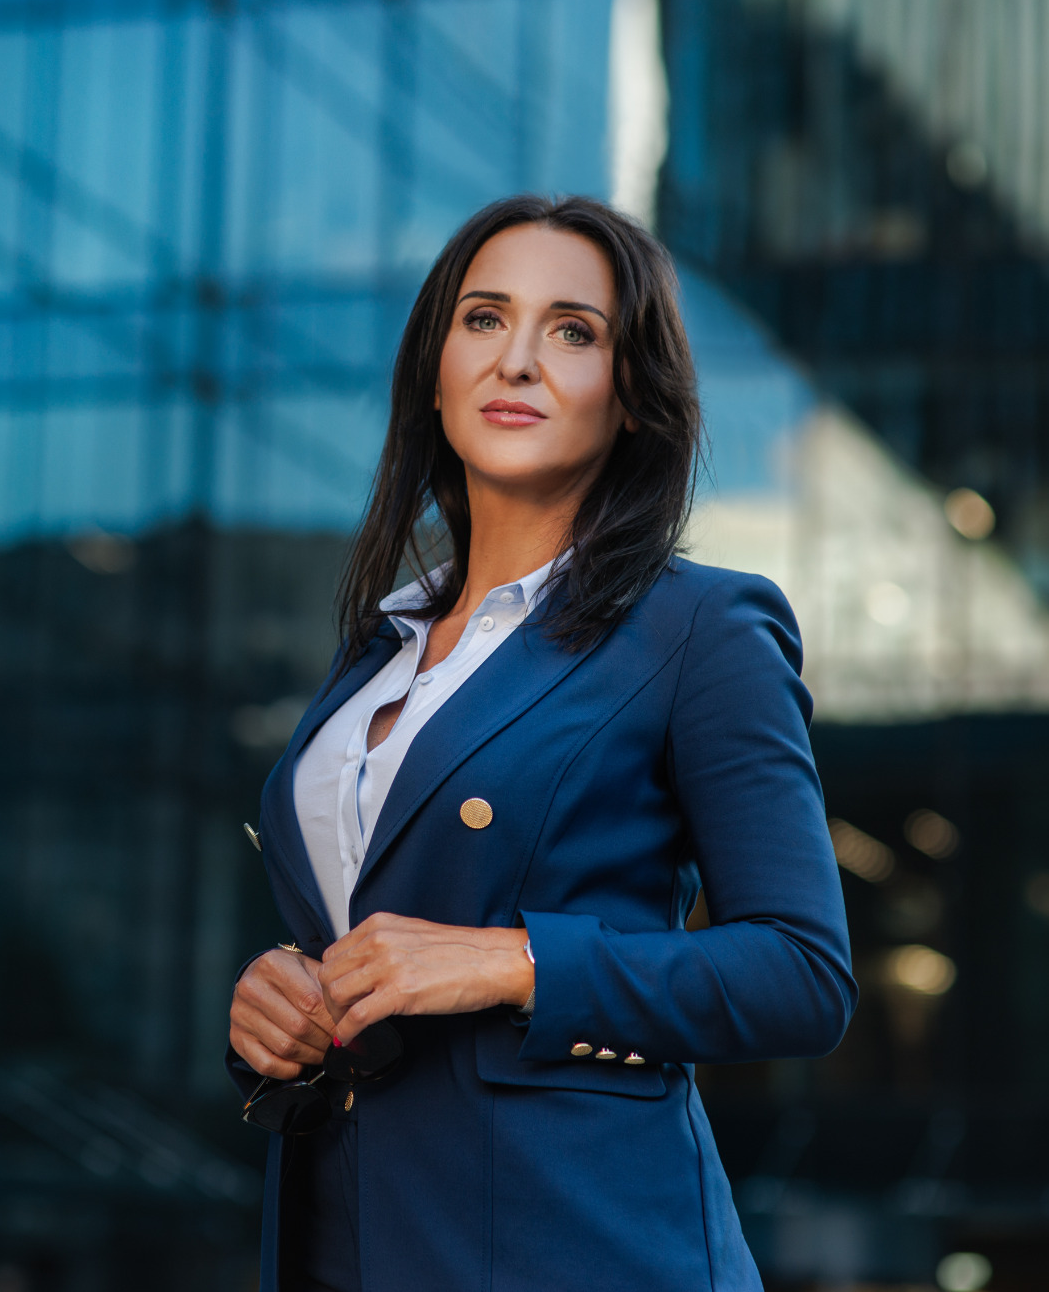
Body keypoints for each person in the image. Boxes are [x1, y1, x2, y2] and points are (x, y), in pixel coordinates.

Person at [226, 194, 855, 1290]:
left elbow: (801, 972)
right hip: (349, 1235)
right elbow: (364, 922)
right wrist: (279, 1003)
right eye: (482, 318)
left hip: (576, 1239)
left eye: (572, 330)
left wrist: (505, 958)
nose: (515, 358)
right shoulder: (379, 642)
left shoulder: (698, 628)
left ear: (631, 400)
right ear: (433, 369)